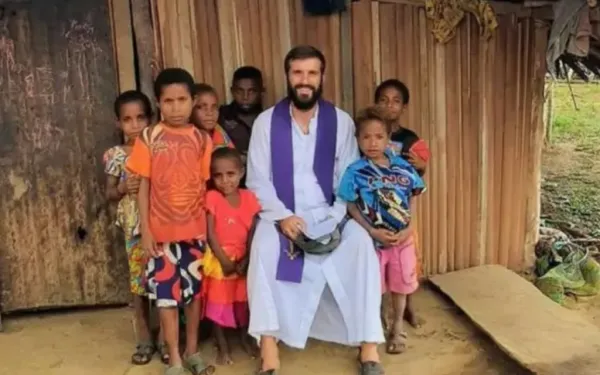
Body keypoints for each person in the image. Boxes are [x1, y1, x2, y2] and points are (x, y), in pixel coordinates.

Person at [246, 45, 385, 375]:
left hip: (329, 211)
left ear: (322, 77)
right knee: (263, 249)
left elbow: (349, 178)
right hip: (282, 213)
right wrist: (282, 217)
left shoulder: (340, 122)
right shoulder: (267, 123)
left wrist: (336, 217)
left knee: (361, 247)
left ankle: (369, 347)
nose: (304, 80)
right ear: (288, 77)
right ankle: (269, 350)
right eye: (297, 72)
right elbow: (257, 178)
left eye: (311, 73)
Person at [126, 68, 215, 375]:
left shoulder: (202, 140)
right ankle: (174, 358)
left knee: (192, 296)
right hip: (160, 237)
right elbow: (144, 187)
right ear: (159, 103)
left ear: (193, 101)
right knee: (166, 299)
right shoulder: (150, 138)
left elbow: (202, 186)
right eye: (168, 101)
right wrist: (147, 231)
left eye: (182, 100)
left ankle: (192, 351)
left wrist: (205, 233)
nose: (176, 108)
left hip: (193, 234)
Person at [338, 106, 425, 354]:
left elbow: (414, 196)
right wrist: (370, 231)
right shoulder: (355, 171)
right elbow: (350, 204)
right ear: (357, 140)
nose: (372, 143)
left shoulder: (403, 168)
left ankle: (397, 328)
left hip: (402, 241)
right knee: (374, 287)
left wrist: (411, 227)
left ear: (388, 139)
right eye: (366, 137)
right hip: (373, 242)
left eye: (379, 136)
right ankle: (376, 325)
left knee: (400, 286)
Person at [104, 90, 169, 365]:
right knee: (139, 284)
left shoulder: (161, 148)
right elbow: (108, 193)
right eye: (128, 119)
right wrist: (120, 188)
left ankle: (167, 338)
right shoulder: (115, 155)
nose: (135, 124)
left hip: (163, 225)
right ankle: (144, 338)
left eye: (141, 117)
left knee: (165, 282)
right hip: (134, 229)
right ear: (118, 123)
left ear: (151, 118)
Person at [375, 79, 431, 329]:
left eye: (396, 101)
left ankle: (410, 307)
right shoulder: (369, 135)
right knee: (380, 266)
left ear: (404, 107)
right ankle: (381, 315)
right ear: (376, 103)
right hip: (375, 211)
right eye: (384, 100)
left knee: (408, 263)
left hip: (403, 212)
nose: (389, 106)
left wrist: (421, 167)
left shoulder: (411, 139)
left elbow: (418, 174)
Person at [201, 147, 260, 365]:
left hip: (243, 259)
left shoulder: (249, 197)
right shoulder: (212, 198)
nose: (225, 181)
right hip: (220, 261)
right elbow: (210, 233)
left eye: (231, 174)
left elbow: (253, 230)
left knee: (242, 302)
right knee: (218, 303)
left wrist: (246, 258)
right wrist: (224, 261)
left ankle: (244, 337)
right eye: (218, 175)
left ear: (241, 172)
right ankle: (222, 346)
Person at [218, 66, 264, 155]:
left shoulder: (268, 118)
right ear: (232, 91)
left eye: (251, 91)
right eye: (240, 91)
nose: (245, 97)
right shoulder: (221, 116)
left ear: (261, 92)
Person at [192, 83, 234, 149]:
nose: (210, 113)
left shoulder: (219, 133)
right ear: (190, 109)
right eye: (201, 107)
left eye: (214, 107)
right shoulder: (188, 138)